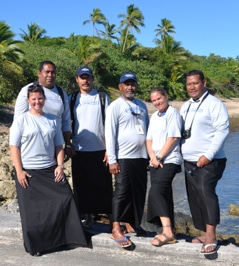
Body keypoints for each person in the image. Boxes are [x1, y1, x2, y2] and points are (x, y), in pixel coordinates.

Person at [9, 84, 87, 256]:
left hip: (50, 169)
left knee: (65, 198)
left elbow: (59, 145)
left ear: (44, 99)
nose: (37, 102)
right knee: (34, 212)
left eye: (40, 98)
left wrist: (60, 165)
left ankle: (64, 239)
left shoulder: (52, 119)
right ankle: (37, 246)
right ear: (28, 100)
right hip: (29, 171)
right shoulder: (21, 120)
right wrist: (19, 171)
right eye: (34, 99)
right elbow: (14, 147)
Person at [180, 70, 229, 255]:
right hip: (189, 161)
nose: (192, 87)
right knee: (195, 197)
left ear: (204, 83)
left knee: (205, 192)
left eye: (195, 83)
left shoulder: (214, 104)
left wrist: (208, 155)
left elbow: (222, 131)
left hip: (211, 161)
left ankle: (211, 236)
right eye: (188, 84)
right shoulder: (185, 106)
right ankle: (202, 233)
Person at [105, 72, 149, 248]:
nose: (130, 87)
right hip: (123, 156)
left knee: (138, 192)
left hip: (141, 157)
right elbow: (110, 133)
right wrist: (112, 159)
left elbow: (149, 131)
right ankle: (116, 227)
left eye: (132, 84)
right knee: (122, 192)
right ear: (120, 86)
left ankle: (133, 224)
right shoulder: (115, 107)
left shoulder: (142, 106)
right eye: (126, 84)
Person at [69, 66, 112, 228]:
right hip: (79, 150)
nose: (85, 80)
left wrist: (110, 149)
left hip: (100, 149)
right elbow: (66, 123)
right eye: (82, 77)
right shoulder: (71, 98)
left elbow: (109, 124)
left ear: (92, 79)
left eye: (88, 77)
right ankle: (88, 217)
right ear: (77, 79)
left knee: (104, 186)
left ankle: (111, 219)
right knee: (82, 187)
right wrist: (67, 144)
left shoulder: (101, 97)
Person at [14, 60, 73, 159]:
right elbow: (18, 121)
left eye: (53, 72)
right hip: (31, 147)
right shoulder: (27, 90)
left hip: (55, 147)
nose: (50, 75)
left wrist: (67, 144)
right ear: (39, 73)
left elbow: (66, 122)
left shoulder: (61, 93)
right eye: (47, 72)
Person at [146, 87, 182, 247]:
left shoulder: (172, 113)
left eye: (159, 99)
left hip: (170, 160)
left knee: (156, 192)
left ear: (166, 96)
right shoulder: (154, 116)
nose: (157, 102)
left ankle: (166, 231)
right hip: (155, 161)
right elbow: (149, 140)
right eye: (154, 100)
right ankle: (170, 231)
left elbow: (173, 137)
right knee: (164, 194)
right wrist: (153, 157)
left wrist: (159, 156)